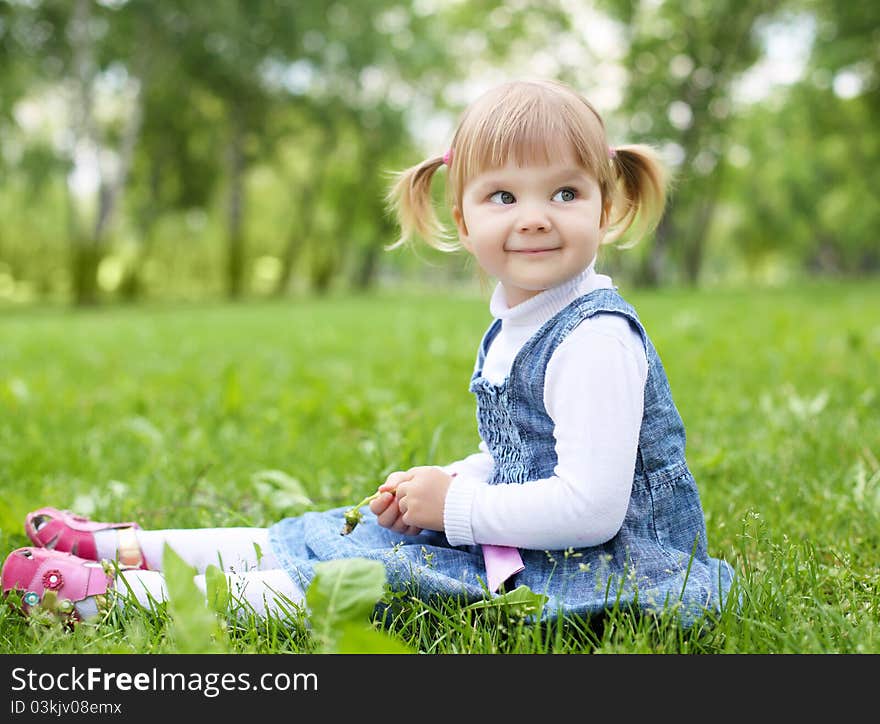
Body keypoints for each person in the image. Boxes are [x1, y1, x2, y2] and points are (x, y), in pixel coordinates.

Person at [2, 78, 734, 628]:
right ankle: (133, 548)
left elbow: (591, 509)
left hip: (607, 567)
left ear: (604, 209)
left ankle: (125, 595)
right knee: (333, 529)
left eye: (566, 193)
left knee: (373, 581)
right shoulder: (523, 317)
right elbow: (520, 453)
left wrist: (460, 508)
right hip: (533, 539)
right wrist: (447, 481)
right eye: (504, 197)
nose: (535, 218)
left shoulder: (595, 339)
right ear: (463, 217)